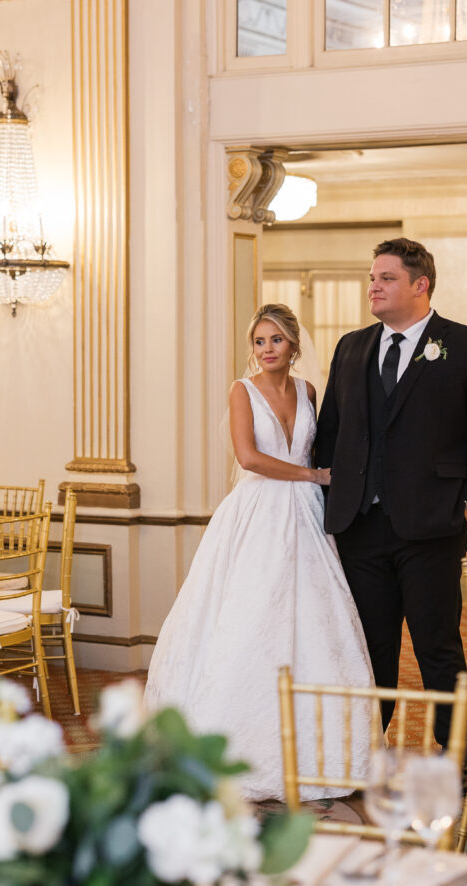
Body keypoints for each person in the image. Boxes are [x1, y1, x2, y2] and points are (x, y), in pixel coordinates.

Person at [145, 303, 379, 800]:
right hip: (258, 513)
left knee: (318, 621)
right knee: (248, 618)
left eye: (275, 340)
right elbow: (247, 456)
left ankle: (324, 753)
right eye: (258, 341)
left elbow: (327, 447)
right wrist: (311, 476)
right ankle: (235, 747)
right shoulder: (241, 391)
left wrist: (325, 481)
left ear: (293, 344)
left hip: (308, 517)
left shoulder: (309, 391)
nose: (266, 349)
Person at [315, 237, 467, 748]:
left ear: (420, 285)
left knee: (437, 649)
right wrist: (331, 507)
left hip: (434, 526)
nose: (373, 287)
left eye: (386, 278)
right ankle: (363, 756)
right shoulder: (352, 346)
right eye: (372, 277)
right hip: (360, 528)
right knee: (369, 649)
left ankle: (460, 765)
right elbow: (331, 433)